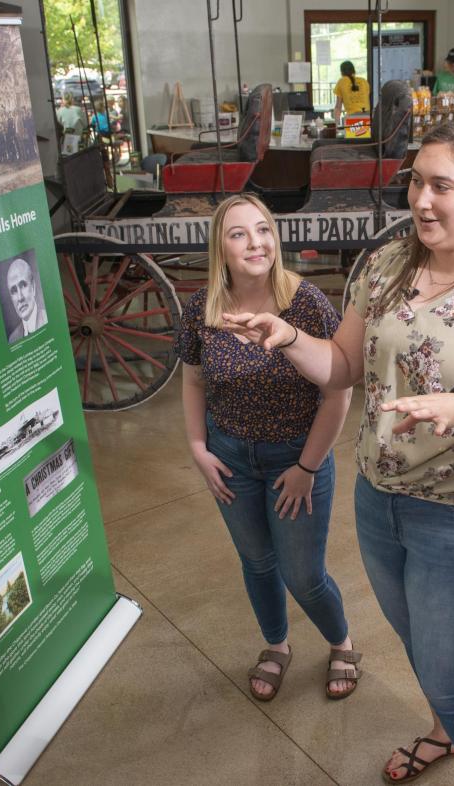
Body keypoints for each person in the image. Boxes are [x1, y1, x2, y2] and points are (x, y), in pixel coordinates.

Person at [224, 120, 454, 785]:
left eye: (443, 186)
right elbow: (346, 364)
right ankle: (441, 735)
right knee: (421, 647)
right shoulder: (384, 265)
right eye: (417, 181)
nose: (422, 200)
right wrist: (287, 336)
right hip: (381, 504)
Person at [176, 193, 361, 703]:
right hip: (230, 457)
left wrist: (308, 466)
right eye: (239, 234)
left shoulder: (307, 304)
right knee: (256, 562)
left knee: (303, 574)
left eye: (263, 230)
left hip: (295, 458)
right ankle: (276, 646)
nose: (256, 243)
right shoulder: (202, 309)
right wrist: (198, 445)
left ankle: (341, 643)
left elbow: (338, 393)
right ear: (221, 247)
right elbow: (193, 383)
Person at [5, 257, 47, 342]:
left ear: (33, 287)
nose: (20, 297)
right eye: (14, 291)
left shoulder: (47, 319)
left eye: (23, 285)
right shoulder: (12, 339)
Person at [333, 60, 370, 124]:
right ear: (354, 70)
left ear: (342, 72)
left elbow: (338, 107)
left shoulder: (341, 82)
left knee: (350, 133)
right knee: (365, 134)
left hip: (352, 118)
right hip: (367, 117)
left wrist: (336, 125)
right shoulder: (364, 81)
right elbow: (367, 100)